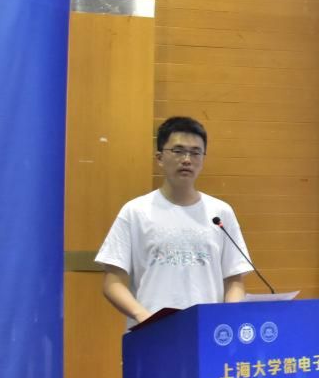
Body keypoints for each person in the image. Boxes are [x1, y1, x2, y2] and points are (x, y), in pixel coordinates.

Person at [96, 115, 253, 326]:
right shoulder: (135, 211)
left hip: (207, 331)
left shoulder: (221, 213)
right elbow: (112, 283)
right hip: (151, 331)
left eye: (195, 152)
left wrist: (227, 317)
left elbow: (234, 280)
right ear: (160, 158)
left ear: (203, 159)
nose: (187, 159)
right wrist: (143, 317)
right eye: (178, 151)